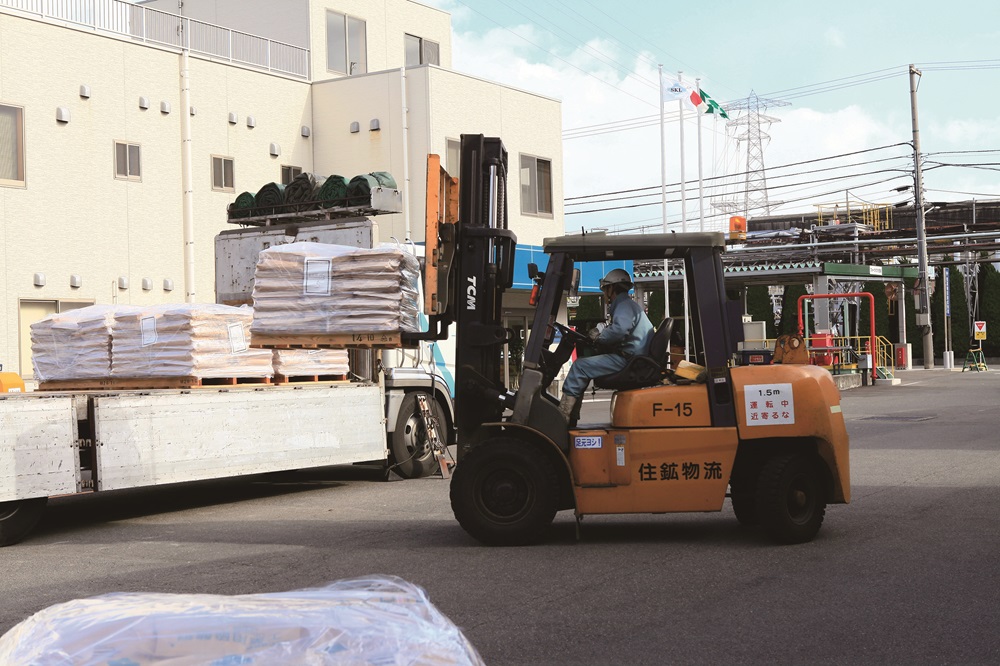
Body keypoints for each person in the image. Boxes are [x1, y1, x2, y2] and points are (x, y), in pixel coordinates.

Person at [558, 268, 654, 422]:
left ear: (612, 288)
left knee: (579, 366)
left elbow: (620, 330)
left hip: (629, 360)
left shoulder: (623, 305)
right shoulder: (627, 305)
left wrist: (599, 337)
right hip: (634, 358)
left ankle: (562, 417)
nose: (604, 293)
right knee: (583, 365)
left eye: (605, 289)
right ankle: (571, 417)